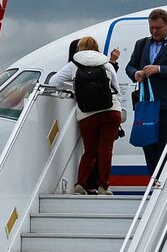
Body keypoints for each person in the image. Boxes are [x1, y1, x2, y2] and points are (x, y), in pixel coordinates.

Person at [51, 37, 124, 194]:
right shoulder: (106, 64)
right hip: (110, 111)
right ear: (97, 48)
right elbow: (116, 88)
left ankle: (80, 184)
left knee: (89, 151)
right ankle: (103, 186)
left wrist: (73, 86)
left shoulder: (74, 65)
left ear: (79, 49)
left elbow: (53, 82)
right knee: (106, 150)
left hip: (87, 113)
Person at [125, 8, 167, 175]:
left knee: (165, 144)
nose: (154, 31)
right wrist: (136, 73)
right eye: (151, 28)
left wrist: (159, 69)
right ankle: (153, 179)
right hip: (146, 103)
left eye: (158, 28)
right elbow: (130, 66)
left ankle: (165, 180)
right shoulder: (141, 44)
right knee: (147, 142)